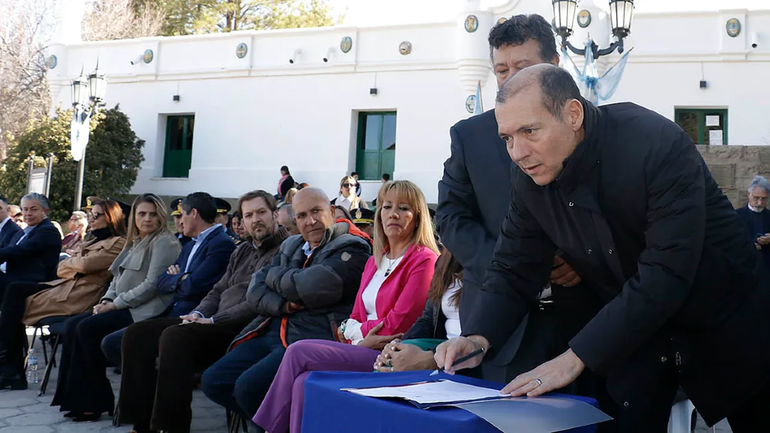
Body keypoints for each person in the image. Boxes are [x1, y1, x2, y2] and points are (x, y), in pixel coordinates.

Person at [435, 64, 770, 432]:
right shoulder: (529, 177)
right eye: (507, 138)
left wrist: (575, 356)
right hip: (637, 333)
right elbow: (514, 265)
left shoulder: (655, 143)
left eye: (529, 131)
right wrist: (478, 335)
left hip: (727, 321)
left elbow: (666, 272)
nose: (517, 152)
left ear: (572, 114)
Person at [436, 14, 585, 384]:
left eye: (523, 67)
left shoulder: (587, 128)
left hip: (584, 321)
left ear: (554, 66)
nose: (511, 80)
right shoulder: (469, 136)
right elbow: (451, 218)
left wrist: (586, 261)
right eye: (502, 70)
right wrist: (517, 265)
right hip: (498, 325)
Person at [254, 180, 439, 433]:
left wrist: (356, 332)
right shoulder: (377, 260)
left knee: (299, 352)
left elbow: (399, 325)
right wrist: (359, 335)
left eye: (404, 208)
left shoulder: (424, 259)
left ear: (417, 217)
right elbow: (351, 318)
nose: (393, 214)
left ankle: (268, 429)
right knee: (302, 382)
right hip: (363, 348)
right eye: (386, 206)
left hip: (391, 356)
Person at [117, 190, 289, 433]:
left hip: (244, 328)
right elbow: (217, 290)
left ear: (274, 215)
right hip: (212, 320)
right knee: (138, 333)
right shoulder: (243, 249)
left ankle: (170, 427)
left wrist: (213, 319)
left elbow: (256, 303)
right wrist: (198, 314)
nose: (255, 220)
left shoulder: (284, 250)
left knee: (175, 337)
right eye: (248, 215)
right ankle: (141, 422)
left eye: (261, 212)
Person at [200, 187, 371, 426]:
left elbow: (312, 287)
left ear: (331, 212)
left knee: (248, 388)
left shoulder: (352, 247)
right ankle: (282, 423)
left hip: (310, 337)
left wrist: (276, 275)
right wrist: (282, 303)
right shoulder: (291, 245)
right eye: (301, 216)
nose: (310, 221)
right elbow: (254, 291)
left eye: (316, 211)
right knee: (214, 380)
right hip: (271, 327)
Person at [51, 193, 181, 422]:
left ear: (160, 216)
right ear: (134, 218)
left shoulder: (164, 242)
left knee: (87, 329)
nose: (147, 219)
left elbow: (152, 286)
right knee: (73, 326)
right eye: (142, 214)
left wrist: (115, 305)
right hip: (122, 305)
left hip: (145, 310)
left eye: (152, 214)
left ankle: (94, 403)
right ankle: (75, 399)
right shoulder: (134, 241)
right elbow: (115, 279)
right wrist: (105, 301)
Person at [0, 199, 127, 390]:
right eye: (91, 215)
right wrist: (77, 263)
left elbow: (84, 265)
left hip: (82, 293)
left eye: (97, 215)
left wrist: (76, 262)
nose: (92, 219)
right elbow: (62, 267)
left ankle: (11, 369)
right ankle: (11, 368)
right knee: (15, 293)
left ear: (112, 218)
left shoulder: (118, 243)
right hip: (67, 285)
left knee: (15, 299)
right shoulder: (93, 240)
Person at [374, 249, 464, 373]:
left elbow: (396, 321)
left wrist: (431, 358)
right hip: (440, 348)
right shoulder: (445, 261)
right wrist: (399, 345)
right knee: (385, 367)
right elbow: (428, 320)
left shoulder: (491, 264)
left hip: (465, 357)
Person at [156, 192, 236, 318]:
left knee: (128, 335)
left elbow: (193, 287)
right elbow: (161, 282)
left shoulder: (221, 244)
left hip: (191, 317)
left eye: (182, 215)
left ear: (193, 213)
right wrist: (183, 278)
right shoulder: (190, 245)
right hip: (172, 313)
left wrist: (176, 277)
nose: (180, 222)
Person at [0, 193, 61, 304]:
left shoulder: (48, 231)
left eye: (33, 209)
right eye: (25, 209)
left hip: (33, 279)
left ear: (45, 211)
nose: (28, 214)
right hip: (13, 275)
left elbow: (21, 250)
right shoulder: (24, 232)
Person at [736, 175, 770, 270]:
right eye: (756, 198)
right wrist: (749, 246)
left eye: (764, 199)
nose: (760, 202)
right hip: (744, 268)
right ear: (749, 194)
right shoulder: (736, 216)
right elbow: (730, 242)